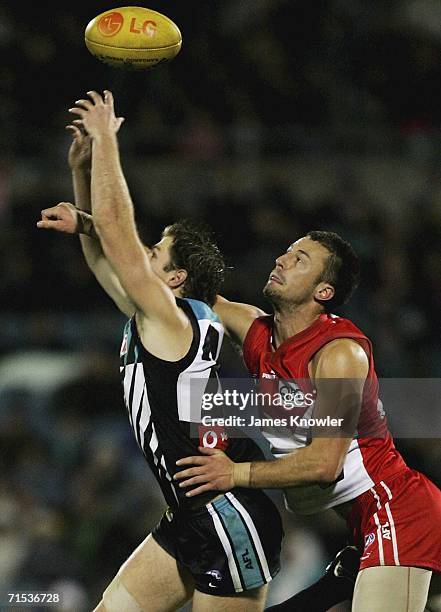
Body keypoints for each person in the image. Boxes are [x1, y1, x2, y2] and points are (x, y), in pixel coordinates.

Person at [37, 90, 284, 612]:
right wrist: (82, 173)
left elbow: (118, 234)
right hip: (187, 514)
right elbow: (103, 253)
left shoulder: (172, 321)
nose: (139, 255)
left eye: (155, 253)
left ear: (174, 278)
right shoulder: (161, 319)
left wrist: (106, 141)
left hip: (226, 516)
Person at [174, 231, 441, 612]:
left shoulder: (340, 354)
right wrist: (94, 226)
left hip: (397, 511)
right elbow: (182, 293)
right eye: (285, 253)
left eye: (300, 259)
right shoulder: (257, 334)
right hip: (367, 524)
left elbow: (324, 463)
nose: (281, 260)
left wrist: (234, 474)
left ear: (324, 291)